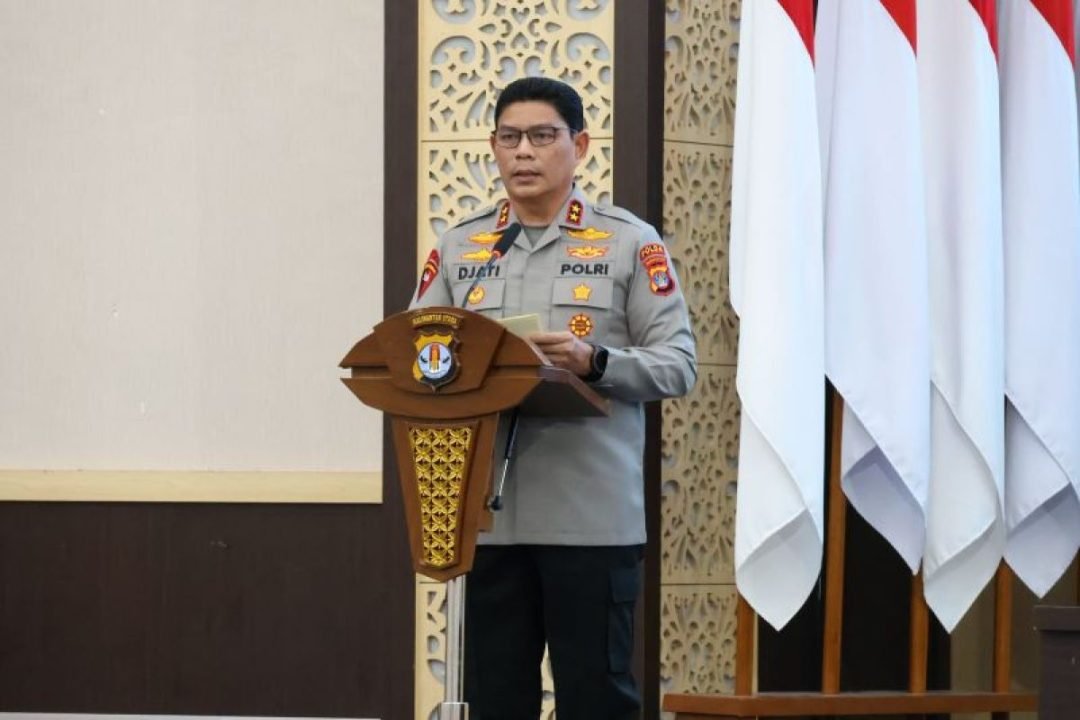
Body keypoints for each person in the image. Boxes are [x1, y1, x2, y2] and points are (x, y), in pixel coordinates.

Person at [410, 76, 696, 720]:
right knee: (495, 702)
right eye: (509, 138)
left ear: (580, 146)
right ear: (493, 147)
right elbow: (416, 353)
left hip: (589, 519)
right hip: (485, 521)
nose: (524, 152)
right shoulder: (461, 246)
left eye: (542, 136)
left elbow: (678, 365)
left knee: (596, 701)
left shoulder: (629, 242)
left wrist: (595, 361)